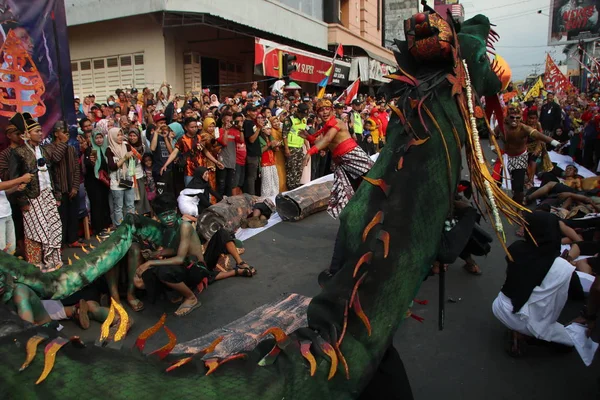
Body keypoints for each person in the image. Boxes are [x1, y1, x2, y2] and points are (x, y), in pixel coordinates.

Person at [132, 194, 256, 317]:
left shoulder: (184, 226)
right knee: (139, 281)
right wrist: (155, 254)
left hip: (196, 267)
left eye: (171, 213)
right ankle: (235, 272)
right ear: (158, 217)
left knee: (163, 271)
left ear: (175, 210)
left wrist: (149, 262)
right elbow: (174, 250)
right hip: (187, 265)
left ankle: (191, 298)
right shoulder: (168, 228)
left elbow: (180, 258)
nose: (169, 218)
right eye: (164, 216)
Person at [492, 211, 579, 356]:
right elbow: (574, 294)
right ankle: (523, 334)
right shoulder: (561, 266)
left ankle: (518, 331)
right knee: (570, 342)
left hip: (501, 306)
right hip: (527, 320)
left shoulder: (516, 247)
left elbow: (515, 277)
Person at [9, 112, 65, 272]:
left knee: (54, 228)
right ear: (27, 134)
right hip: (31, 198)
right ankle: (37, 268)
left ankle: (54, 263)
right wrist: (22, 201)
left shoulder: (45, 150)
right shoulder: (18, 152)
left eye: (41, 131)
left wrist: (57, 194)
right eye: (37, 131)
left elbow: (53, 173)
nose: (41, 134)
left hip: (48, 195)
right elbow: (15, 178)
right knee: (36, 233)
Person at [303, 99, 374, 219]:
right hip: (341, 162)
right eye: (321, 110)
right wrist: (309, 137)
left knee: (373, 180)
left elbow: (327, 140)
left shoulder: (337, 122)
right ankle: (354, 218)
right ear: (317, 113)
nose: (324, 112)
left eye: (327, 109)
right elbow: (323, 142)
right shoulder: (326, 126)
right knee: (345, 193)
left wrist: (310, 151)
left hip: (352, 155)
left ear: (331, 110)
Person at [493, 104, 560, 206]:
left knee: (518, 187)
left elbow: (540, 136)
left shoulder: (525, 128)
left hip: (520, 158)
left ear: (521, 118)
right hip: (505, 157)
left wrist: (555, 143)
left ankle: (518, 206)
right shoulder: (502, 126)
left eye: (517, 118)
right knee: (496, 181)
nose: (514, 120)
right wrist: (493, 146)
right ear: (507, 117)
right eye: (512, 117)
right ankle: (494, 204)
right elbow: (492, 134)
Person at [0, 271, 109, 329]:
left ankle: (76, 310)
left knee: (90, 307)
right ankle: (76, 310)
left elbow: (28, 329)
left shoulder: (19, 291)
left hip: (43, 329)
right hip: (47, 310)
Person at [47, 121, 82, 248]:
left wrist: (75, 186)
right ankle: (59, 244)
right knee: (60, 219)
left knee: (73, 215)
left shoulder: (72, 148)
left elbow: (77, 169)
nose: (66, 135)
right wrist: (63, 143)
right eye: (63, 132)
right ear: (56, 134)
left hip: (72, 188)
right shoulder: (49, 148)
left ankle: (73, 239)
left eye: (67, 133)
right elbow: (55, 158)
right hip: (59, 189)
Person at [106, 127, 136, 226]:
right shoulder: (109, 149)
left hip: (128, 179)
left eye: (121, 134)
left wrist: (132, 158)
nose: (120, 137)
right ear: (112, 136)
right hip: (116, 182)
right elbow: (112, 166)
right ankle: (120, 228)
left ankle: (131, 226)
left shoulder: (126, 146)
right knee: (118, 207)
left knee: (130, 205)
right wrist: (124, 158)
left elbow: (132, 162)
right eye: (117, 135)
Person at [83, 130, 111, 235]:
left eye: (101, 137)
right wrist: (92, 162)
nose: (99, 140)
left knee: (104, 202)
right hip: (94, 182)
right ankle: (98, 228)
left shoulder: (105, 149)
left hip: (104, 181)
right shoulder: (90, 150)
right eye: (97, 138)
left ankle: (106, 225)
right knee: (96, 204)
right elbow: (87, 165)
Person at [282, 103, 309, 190]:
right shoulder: (289, 119)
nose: (303, 116)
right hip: (291, 148)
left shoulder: (304, 120)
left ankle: (296, 188)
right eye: (302, 114)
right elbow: (284, 135)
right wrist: (286, 149)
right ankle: (290, 189)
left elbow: (304, 134)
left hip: (300, 147)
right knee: (291, 170)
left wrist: (308, 147)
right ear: (298, 112)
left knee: (299, 169)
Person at [216, 113, 242, 196]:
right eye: (227, 121)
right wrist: (226, 131)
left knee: (229, 185)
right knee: (221, 185)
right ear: (223, 120)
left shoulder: (234, 131)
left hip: (231, 161)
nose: (229, 123)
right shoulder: (218, 130)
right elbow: (224, 143)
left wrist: (241, 129)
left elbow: (241, 141)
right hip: (222, 161)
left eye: (231, 121)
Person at [243, 104, 261, 195]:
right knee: (251, 177)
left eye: (256, 111)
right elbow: (251, 139)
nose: (255, 113)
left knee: (254, 177)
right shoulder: (247, 123)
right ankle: (251, 197)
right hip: (251, 155)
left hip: (255, 154)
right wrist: (259, 128)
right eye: (253, 111)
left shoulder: (252, 122)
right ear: (248, 112)